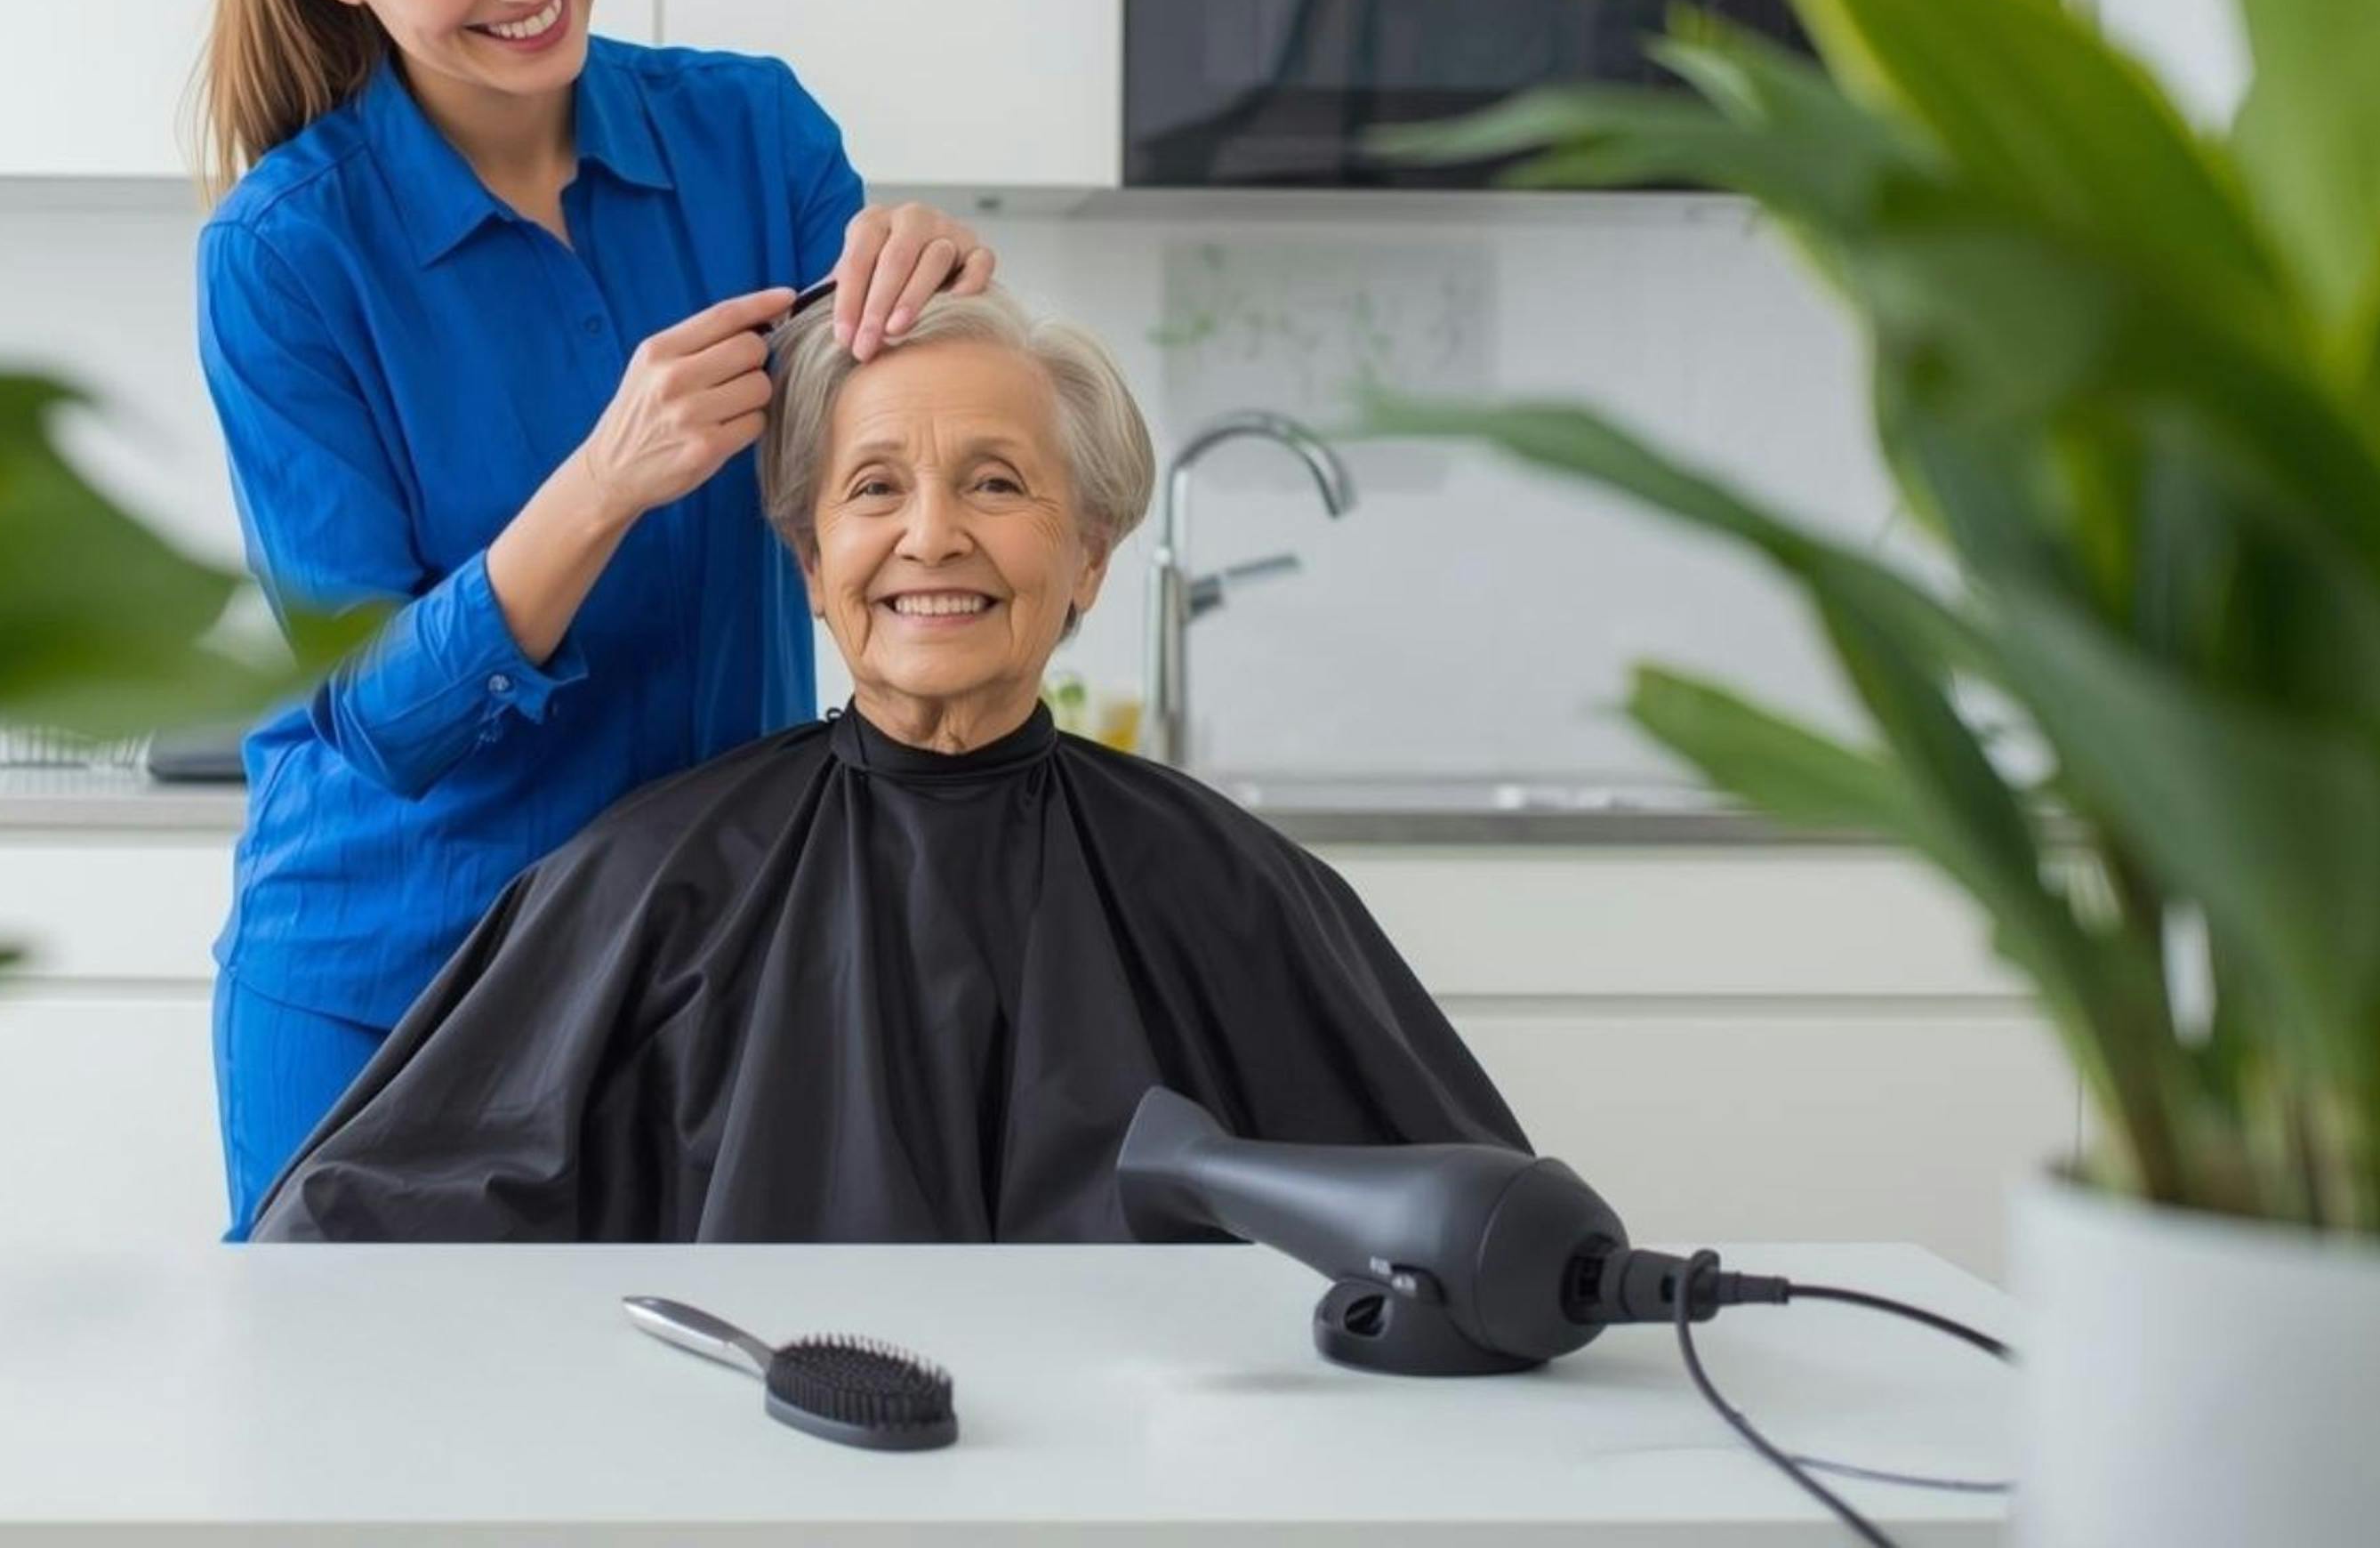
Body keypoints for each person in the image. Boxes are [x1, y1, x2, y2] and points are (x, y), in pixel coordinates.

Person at [192, 0, 1001, 1234]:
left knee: (687, 1460)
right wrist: (608, 476)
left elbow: (899, 471)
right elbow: (375, 718)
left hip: (712, 981)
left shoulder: (756, 141)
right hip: (386, 996)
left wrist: (945, 304)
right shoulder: (285, 255)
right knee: (367, 1469)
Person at [250, 289, 1525, 1241]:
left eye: (995, 484)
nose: (932, 537)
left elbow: (1490, 1231)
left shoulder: (1234, 891)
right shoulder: (657, 882)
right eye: (874, 489)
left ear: (1086, 555)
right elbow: (350, 1229)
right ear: (812, 562)